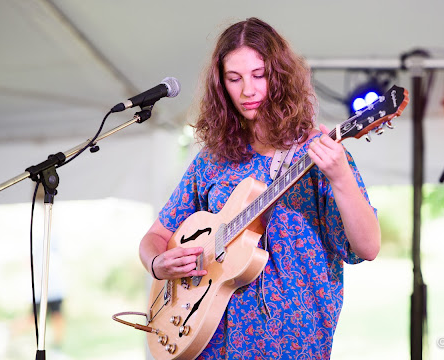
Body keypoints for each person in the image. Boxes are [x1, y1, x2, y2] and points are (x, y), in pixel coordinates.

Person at [139, 17, 380, 359]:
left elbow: (368, 247)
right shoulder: (212, 161)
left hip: (292, 344)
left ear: (279, 76)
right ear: (221, 84)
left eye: (259, 75)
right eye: (234, 78)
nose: (247, 90)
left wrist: (340, 177)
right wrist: (158, 264)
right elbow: (154, 237)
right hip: (211, 342)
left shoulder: (319, 154)